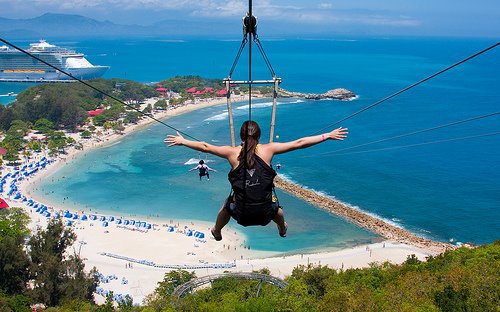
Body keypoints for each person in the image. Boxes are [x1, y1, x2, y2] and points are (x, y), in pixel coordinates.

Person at [165, 120, 348, 241]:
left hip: (241, 214)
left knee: (226, 205)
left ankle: (217, 230)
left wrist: (183, 141)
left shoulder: (231, 152)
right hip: (266, 214)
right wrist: (327, 136)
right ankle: (282, 228)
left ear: (241, 137)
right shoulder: (269, 150)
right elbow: (299, 143)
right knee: (277, 208)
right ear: (258, 136)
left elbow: (205, 147)